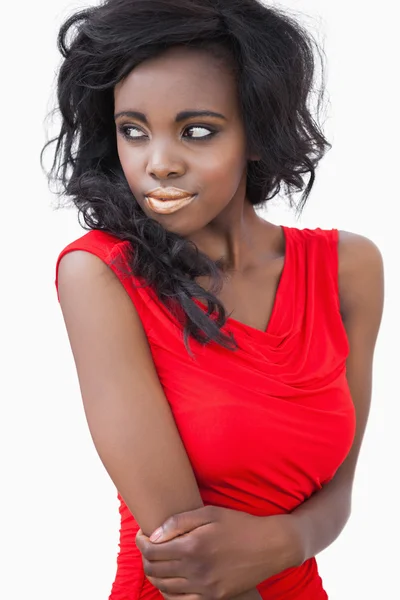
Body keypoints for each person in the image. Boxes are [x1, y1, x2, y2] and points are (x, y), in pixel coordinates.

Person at [42, 0, 384, 598]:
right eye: (133, 131)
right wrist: (286, 541)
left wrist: (292, 541)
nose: (159, 164)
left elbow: (342, 491)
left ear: (258, 132)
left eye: (197, 131)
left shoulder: (348, 269)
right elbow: (188, 564)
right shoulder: (100, 275)